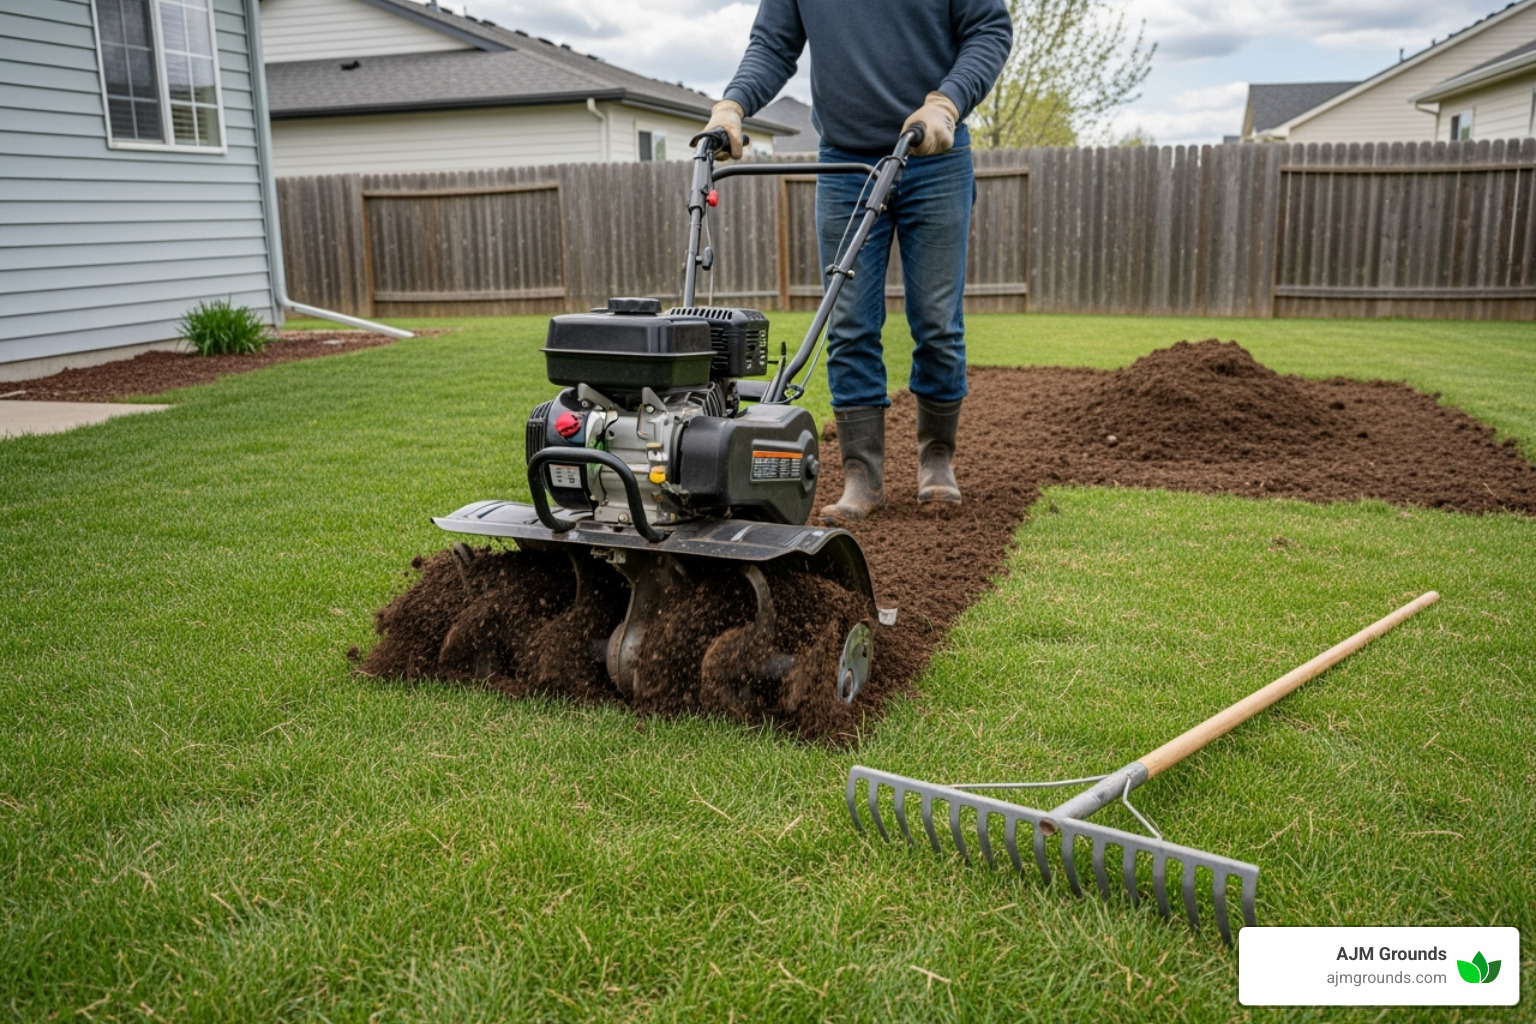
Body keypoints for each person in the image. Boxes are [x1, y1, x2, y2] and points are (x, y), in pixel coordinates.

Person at [705, 0, 1012, 524]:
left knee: (938, 323)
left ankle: (937, 459)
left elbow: (989, 30)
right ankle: (861, 475)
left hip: (935, 157)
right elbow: (774, 44)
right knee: (848, 324)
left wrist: (947, 102)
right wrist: (733, 105)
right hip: (846, 163)